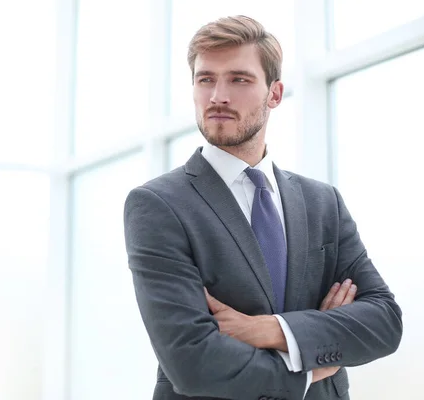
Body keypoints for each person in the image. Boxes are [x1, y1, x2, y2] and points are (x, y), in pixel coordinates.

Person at [124, 15, 402, 400]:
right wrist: (309, 366)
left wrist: (272, 329)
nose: (217, 95)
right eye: (206, 79)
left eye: (239, 79)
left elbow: (384, 323)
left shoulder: (323, 203)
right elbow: (191, 361)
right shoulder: (158, 205)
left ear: (274, 93)